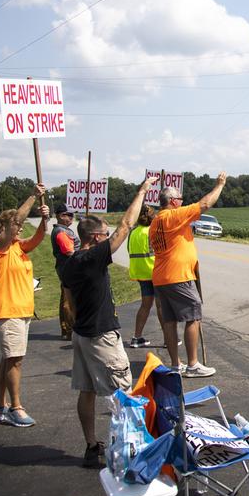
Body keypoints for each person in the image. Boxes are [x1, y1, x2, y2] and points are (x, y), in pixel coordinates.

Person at [62, 176, 157, 468]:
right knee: (124, 393)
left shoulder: (71, 263)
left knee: (87, 391)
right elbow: (126, 226)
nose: (108, 238)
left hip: (82, 334)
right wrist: (141, 191)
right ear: (95, 238)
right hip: (101, 335)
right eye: (104, 235)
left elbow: (69, 302)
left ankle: (92, 445)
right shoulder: (92, 258)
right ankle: (130, 450)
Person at [0, 183, 50, 428]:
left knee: (8, 359)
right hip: (7, 310)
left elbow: (39, 238)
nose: (20, 228)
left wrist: (44, 220)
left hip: (20, 311)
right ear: (3, 228)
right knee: (15, 360)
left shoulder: (19, 248)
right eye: (16, 225)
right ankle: (16, 407)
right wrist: (33, 195)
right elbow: (14, 225)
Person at [149, 172, 227, 378]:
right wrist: (219, 185)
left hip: (161, 276)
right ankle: (192, 364)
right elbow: (204, 204)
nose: (183, 203)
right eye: (181, 200)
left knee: (170, 320)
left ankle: (176, 364)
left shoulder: (156, 221)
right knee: (193, 315)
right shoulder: (172, 216)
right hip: (178, 277)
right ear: (173, 202)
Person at [128, 204, 167, 348]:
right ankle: (168, 339)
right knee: (161, 306)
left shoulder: (133, 232)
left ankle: (136, 337)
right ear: (152, 216)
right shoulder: (152, 231)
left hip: (140, 272)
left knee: (145, 305)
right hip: (154, 271)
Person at [51, 203, 80, 340]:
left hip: (66, 267)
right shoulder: (61, 232)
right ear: (61, 216)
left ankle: (66, 329)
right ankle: (69, 329)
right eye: (69, 215)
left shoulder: (62, 230)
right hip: (69, 268)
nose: (72, 217)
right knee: (68, 300)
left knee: (66, 297)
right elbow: (69, 251)